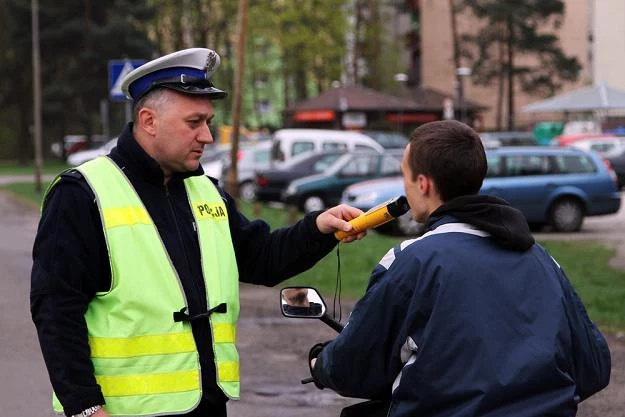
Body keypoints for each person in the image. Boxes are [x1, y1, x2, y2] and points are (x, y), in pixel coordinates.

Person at [30, 48, 364, 417]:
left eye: (208, 121)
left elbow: (261, 259)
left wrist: (319, 228)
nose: (207, 135)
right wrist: (85, 408)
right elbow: (56, 311)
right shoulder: (82, 194)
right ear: (148, 120)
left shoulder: (204, 189)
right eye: (194, 122)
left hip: (206, 406)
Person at [310, 120, 611, 417]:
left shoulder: (411, 261)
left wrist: (320, 363)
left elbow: (352, 367)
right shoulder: (542, 259)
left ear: (423, 184)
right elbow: (594, 368)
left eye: (405, 175)